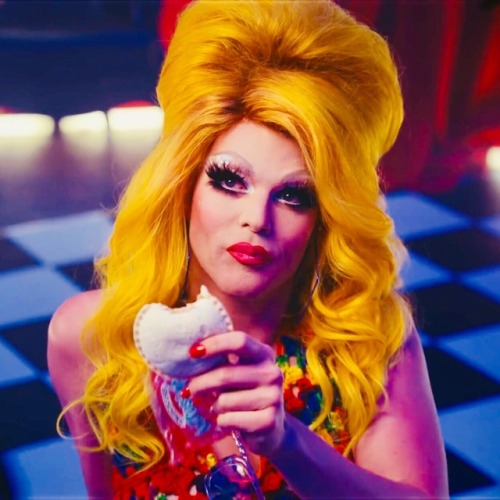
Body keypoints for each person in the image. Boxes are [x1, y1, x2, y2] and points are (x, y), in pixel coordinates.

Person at [48, 0, 449, 498]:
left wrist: (288, 443)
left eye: (294, 195)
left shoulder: (365, 338)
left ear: (324, 216)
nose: (257, 219)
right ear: (184, 185)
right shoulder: (90, 337)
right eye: (229, 180)